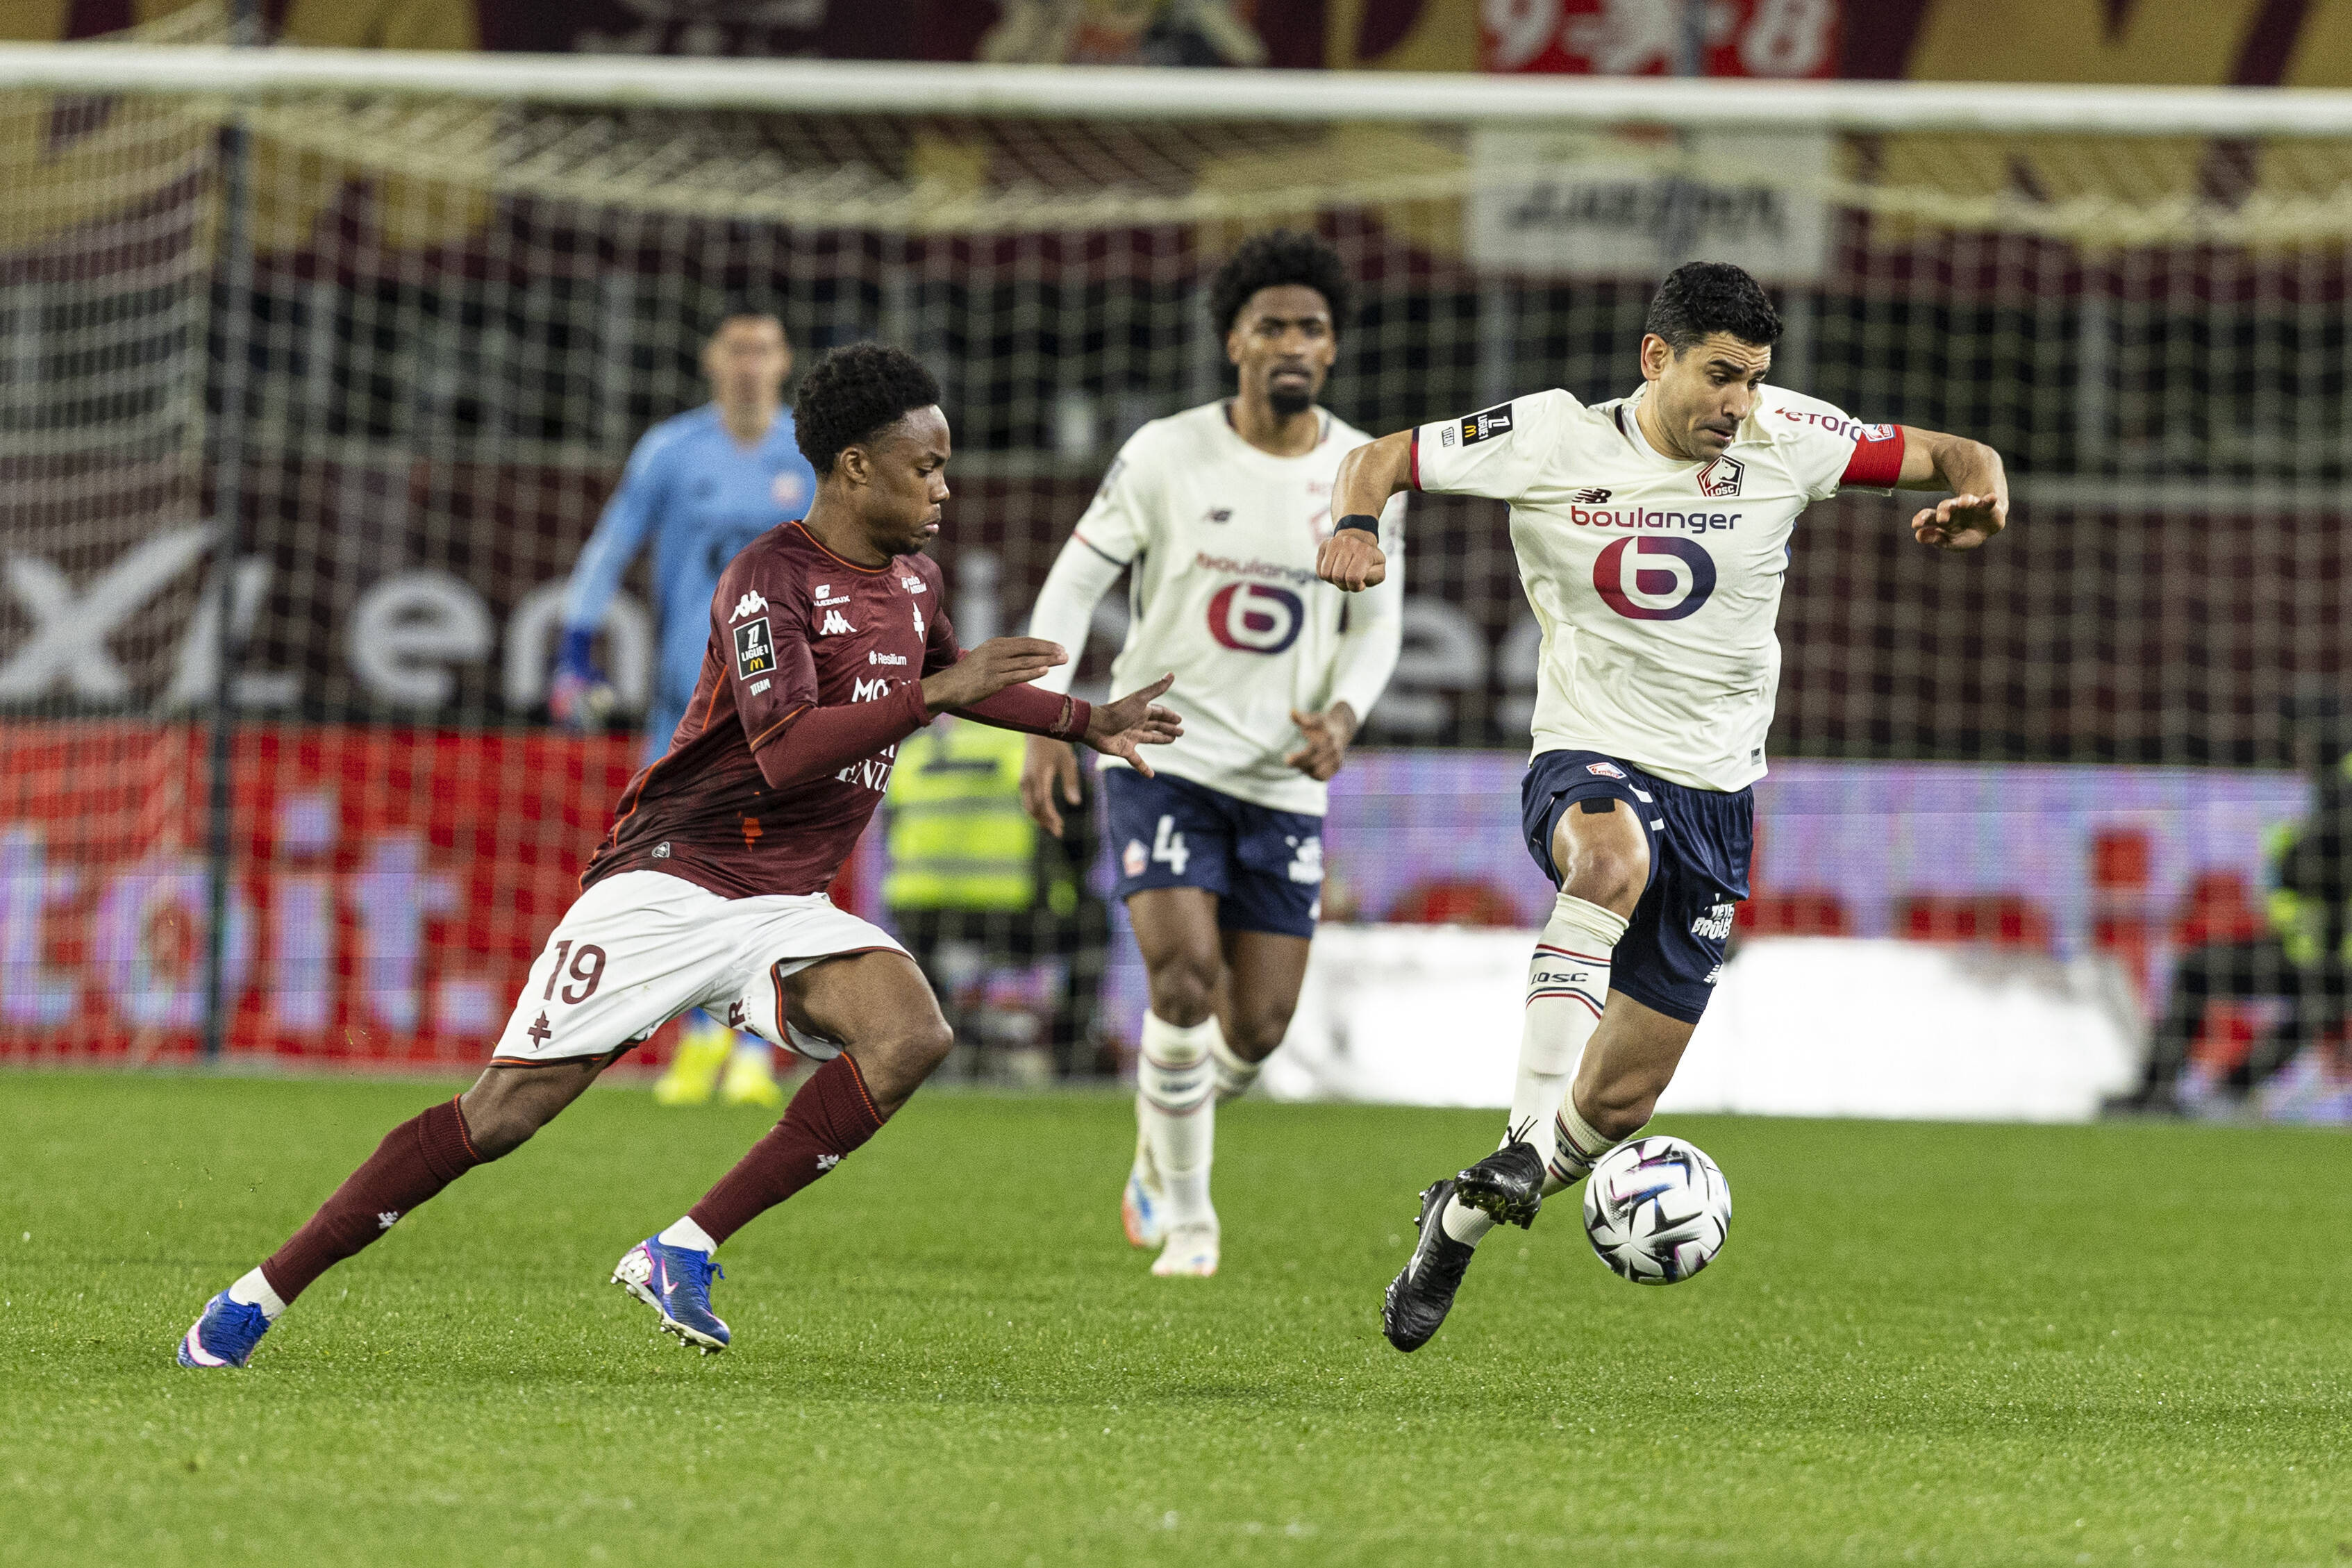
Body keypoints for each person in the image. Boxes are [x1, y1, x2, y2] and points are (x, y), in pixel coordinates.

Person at [177, 344, 1181, 1368]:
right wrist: (937, 695)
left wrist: (1083, 719)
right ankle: (255, 1297)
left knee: (910, 1031)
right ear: (852, 468)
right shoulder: (765, 579)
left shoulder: (914, 582)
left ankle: (681, 1246)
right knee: (501, 1115)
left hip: (782, 901)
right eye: (923, 467)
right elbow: (787, 747)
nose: (943, 487)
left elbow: (955, 678)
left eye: (944, 464)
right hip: (671, 878)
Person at [1316, 261, 2010, 1351]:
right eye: (1718, 376)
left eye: (1751, 379)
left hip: (1720, 798)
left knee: (1621, 1104)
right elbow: (1380, 456)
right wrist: (1356, 522)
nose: (1735, 404)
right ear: (1656, 358)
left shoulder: (1787, 435)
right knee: (1606, 863)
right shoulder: (1547, 436)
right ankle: (1516, 1128)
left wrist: (1983, 493)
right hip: (1588, 752)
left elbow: (1947, 454)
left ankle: (1451, 1222)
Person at [1020, 230, 1404, 1278]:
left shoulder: (1364, 468)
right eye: (1271, 323)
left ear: (1330, 351)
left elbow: (1374, 627)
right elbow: (1072, 584)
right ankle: (1186, 1215)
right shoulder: (1163, 453)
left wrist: (1344, 716)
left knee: (1258, 1027)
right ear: (1232, 339)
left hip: (1281, 776)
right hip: (1160, 757)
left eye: (1310, 328)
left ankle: (1163, 1128)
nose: (1291, 342)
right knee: (1181, 982)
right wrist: (1049, 710)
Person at [550, 303, 819, 1110]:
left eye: (763, 347)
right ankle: (702, 1040)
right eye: (736, 347)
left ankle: (752, 1047)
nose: (748, 362)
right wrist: (574, 647)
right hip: (685, 702)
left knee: (768, 874)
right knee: (670, 874)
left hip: (784, 703)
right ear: (712, 358)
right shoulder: (671, 450)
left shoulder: (809, 453)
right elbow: (609, 545)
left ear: (783, 360)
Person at [2112, 748, 2352, 1114]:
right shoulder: (2323, 810)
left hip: (2335, 966)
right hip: (2308, 956)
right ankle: (2174, 1095)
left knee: (2319, 1004)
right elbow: (2298, 874)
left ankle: (2222, 1095)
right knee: (2199, 970)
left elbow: (2303, 868)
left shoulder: (2335, 804)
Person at [883, 713, 1109, 1083]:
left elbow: (890, 832)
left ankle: (936, 1048)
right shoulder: (1040, 748)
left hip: (920, 918)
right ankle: (1070, 1059)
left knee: (916, 950)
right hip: (1019, 916)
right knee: (1094, 922)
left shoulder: (914, 751)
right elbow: (1081, 845)